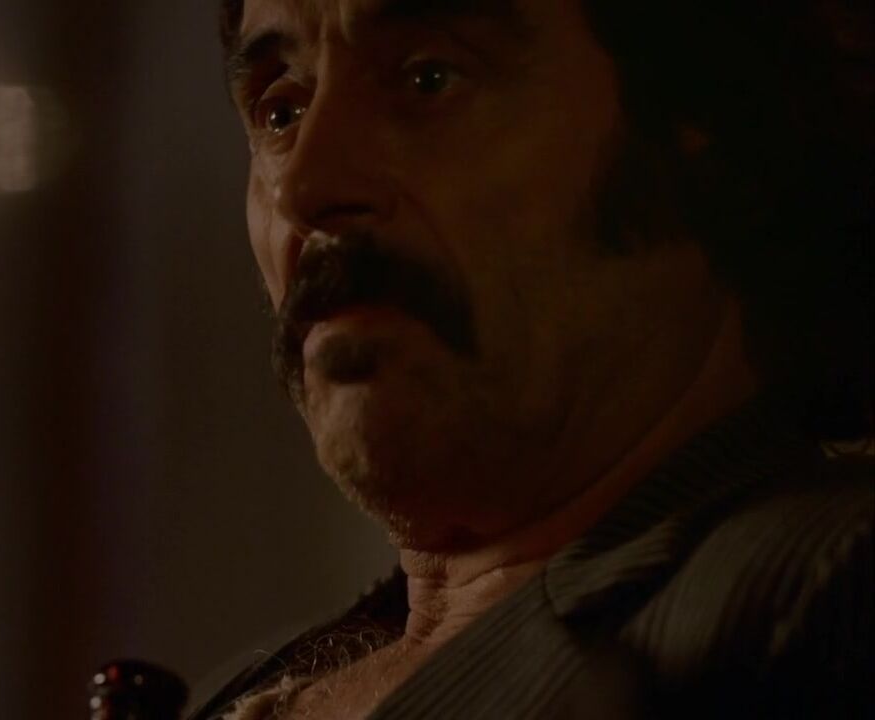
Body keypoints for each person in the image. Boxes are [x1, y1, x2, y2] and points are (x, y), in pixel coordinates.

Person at [188, 0, 874, 717]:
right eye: (281, 112)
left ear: (703, 109)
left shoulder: (823, 598)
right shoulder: (239, 686)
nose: (304, 189)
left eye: (428, 79)